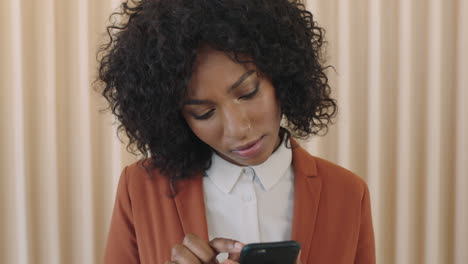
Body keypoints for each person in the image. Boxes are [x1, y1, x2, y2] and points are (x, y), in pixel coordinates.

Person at [97, 0, 376, 263]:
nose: (238, 129)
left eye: (248, 93)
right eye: (204, 113)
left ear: (281, 75)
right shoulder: (140, 189)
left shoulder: (347, 193)